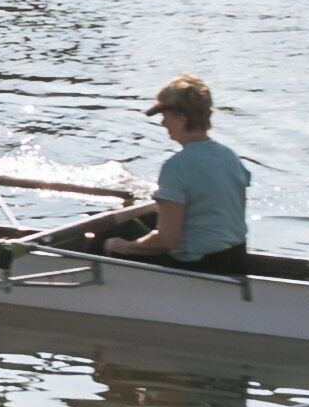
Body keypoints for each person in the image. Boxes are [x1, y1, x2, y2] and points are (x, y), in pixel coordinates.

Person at [104, 76, 251, 275]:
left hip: (200, 267)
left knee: (116, 235)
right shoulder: (230, 157)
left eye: (165, 116)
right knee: (150, 220)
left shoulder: (176, 167)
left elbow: (166, 241)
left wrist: (122, 246)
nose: (163, 123)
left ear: (181, 118)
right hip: (235, 260)